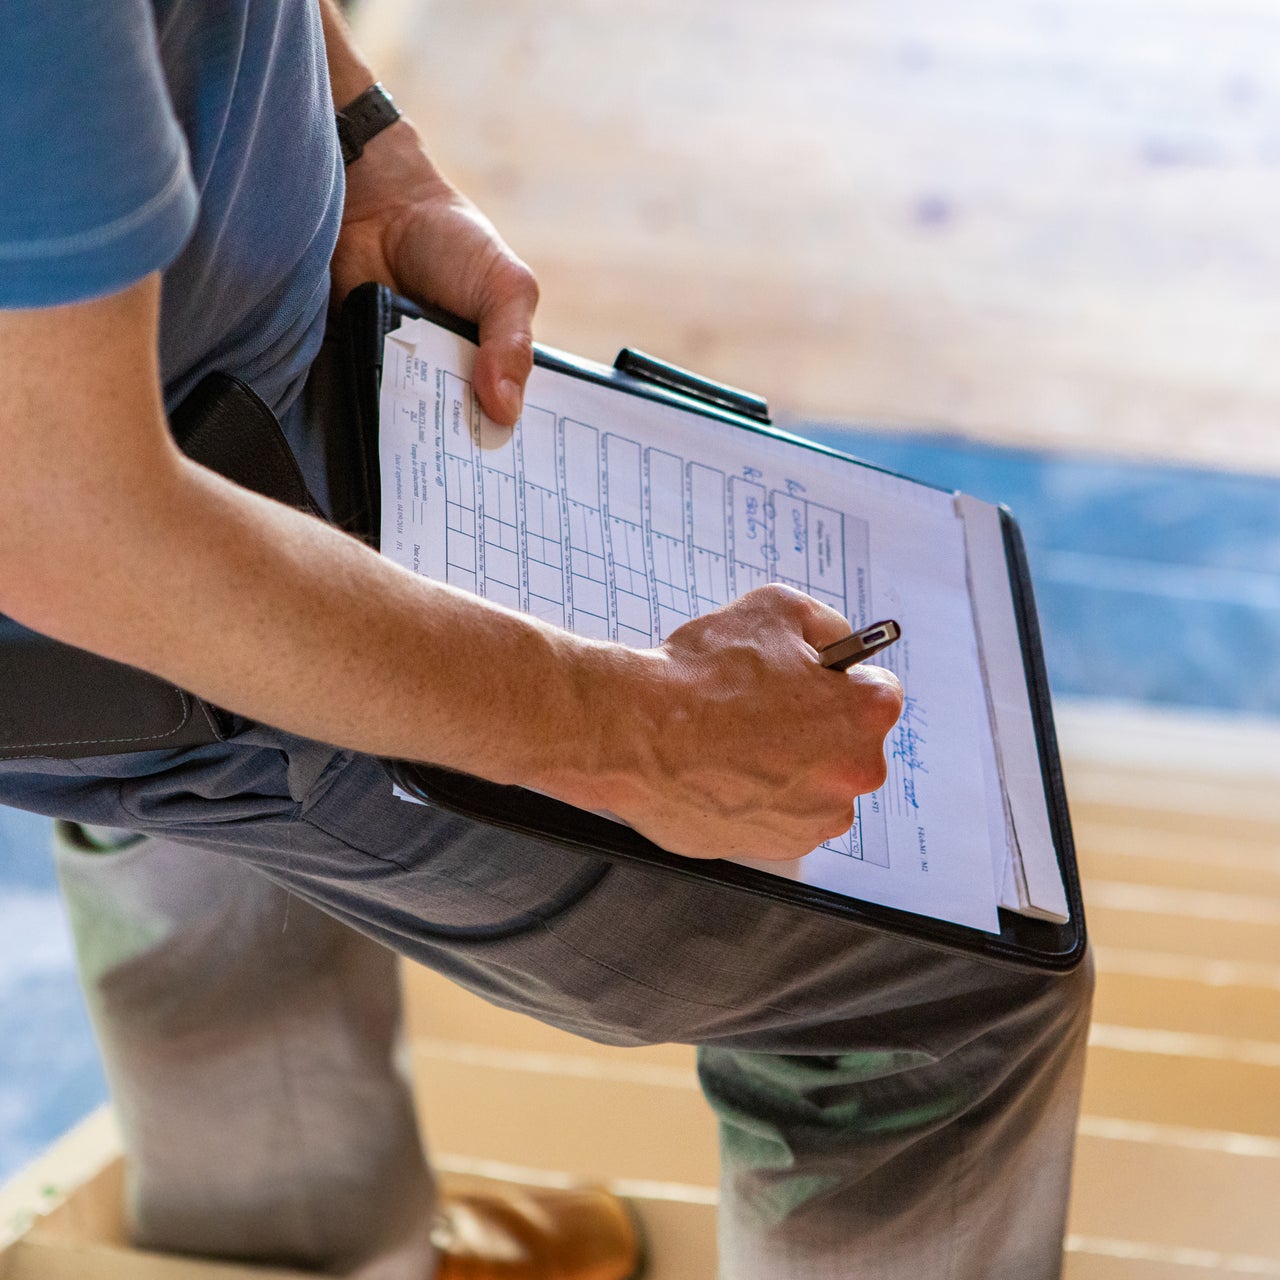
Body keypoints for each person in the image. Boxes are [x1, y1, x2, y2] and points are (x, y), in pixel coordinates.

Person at [0, 3, 1093, 1278]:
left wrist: (362, 144)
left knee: (197, 804)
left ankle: (314, 1257)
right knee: (942, 995)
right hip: (127, 559)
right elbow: (68, 524)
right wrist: (638, 729)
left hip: (227, 409)